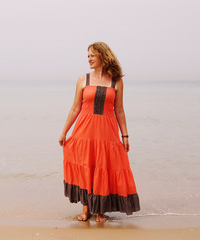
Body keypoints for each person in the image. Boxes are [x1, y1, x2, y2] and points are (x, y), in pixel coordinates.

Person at [58, 42, 140, 222]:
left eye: (92, 55)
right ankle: (86, 210)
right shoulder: (83, 79)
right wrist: (64, 132)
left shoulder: (116, 81)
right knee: (87, 167)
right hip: (84, 132)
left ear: (103, 56)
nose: (89, 59)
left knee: (103, 168)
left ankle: (101, 211)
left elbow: (119, 110)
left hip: (107, 133)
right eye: (88, 56)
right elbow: (75, 108)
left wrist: (125, 135)